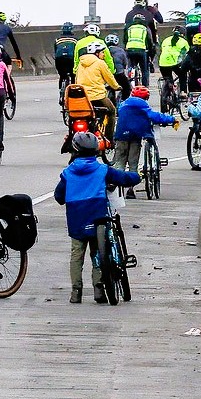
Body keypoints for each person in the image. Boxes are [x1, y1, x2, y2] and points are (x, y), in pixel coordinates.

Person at [55, 129, 141, 304]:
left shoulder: (67, 173)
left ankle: (76, 292)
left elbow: (59, 197)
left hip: (76, 218)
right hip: (97, 215)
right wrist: (137, 176)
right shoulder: (102, 170)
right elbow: (124, 178)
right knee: (97, 251)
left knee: (77, 254)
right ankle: (99, 289)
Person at [112, 86, 177, 198]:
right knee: (133, 163)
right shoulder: (142, 105)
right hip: (135, 136)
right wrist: (171, 119)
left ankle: (117, 190)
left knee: (120, 162)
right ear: (145, 98)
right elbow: (154, 116)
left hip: (121, 135)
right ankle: (130, 189)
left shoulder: (123, 104)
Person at [75, 40, 120, 138]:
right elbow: (109, 78)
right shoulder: (100, 63)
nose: (103, 55)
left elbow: (76, 79)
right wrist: (116, 87)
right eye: (102, 52)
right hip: (97, 96)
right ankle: (109, 138)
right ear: (96, 53)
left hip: (83, 97)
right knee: (112, 111)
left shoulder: (80, 64)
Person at [158, 28, 190, 95]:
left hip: (162, 63)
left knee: (168, 78)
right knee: (182, 76)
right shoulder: (184, 42)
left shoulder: (166, 40)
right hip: (175, 63)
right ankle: (183, 92)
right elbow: (188, 54)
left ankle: (170, 85)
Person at [123, 17, 152, 86]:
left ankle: (130, 82)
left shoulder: (129, 28)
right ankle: (145, 86)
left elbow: (125, 39)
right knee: (144, 69)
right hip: (141, 50)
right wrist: (149, 49)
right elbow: (149, 40)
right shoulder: (144, 28)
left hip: (130, 49)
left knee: (131, 66)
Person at [104, 33, 131, 100]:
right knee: (127, 88)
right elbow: (125, 63)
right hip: (119, 73)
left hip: (106, 74)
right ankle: (123, 100)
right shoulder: (121, 50)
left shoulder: (103, 50)